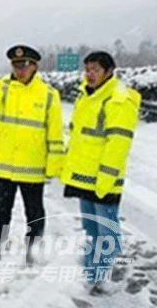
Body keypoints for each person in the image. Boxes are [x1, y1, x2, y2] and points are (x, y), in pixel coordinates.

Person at [0, 45, 64, 263]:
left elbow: (55, 134)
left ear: (35, 66)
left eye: (24, 64)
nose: (19, 69)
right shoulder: (4, 87)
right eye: (15, 65)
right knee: (1, 211)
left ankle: (33, 251)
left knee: (34, 212)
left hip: (32, 166)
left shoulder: (48, 95)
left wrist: (54, 165)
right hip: (5, 165)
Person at [60, 51, 140, 295]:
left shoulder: (118, 99)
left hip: (103, 180)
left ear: (109, 71)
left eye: (95, 69)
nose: (89, 74)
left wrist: (105, 180)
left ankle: (99, 277)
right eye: (87, 69)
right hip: (85, 178)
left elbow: (118, 144)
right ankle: (91, 276)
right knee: (92, 230)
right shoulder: (88, 96)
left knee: (108, 234)